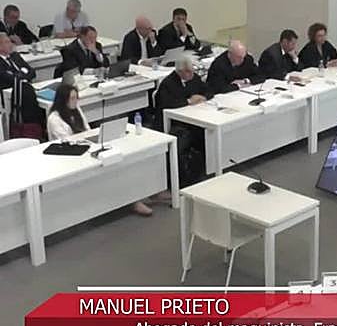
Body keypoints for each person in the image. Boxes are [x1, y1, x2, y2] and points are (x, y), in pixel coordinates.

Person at [47, 84, 153, 215]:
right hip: (70, 156)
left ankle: (134, 197)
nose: (75, 101)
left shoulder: (76, 109)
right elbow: (67, 141)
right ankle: (131, 201)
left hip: (87, 147)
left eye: (76, 98)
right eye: (72, 99)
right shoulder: (54, 119)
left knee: (117, 160)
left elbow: (87, 129)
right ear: (63, 100)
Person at [155, 56, 213, 186]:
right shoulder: (168, 84)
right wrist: (188, 101)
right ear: (181, 72)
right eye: (189, 72)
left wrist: (203, 97)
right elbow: (166, 103)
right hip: (174, 123)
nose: (192, 74)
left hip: (195, 117)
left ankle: (207, 168)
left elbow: (209, 90)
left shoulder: (194, 78)